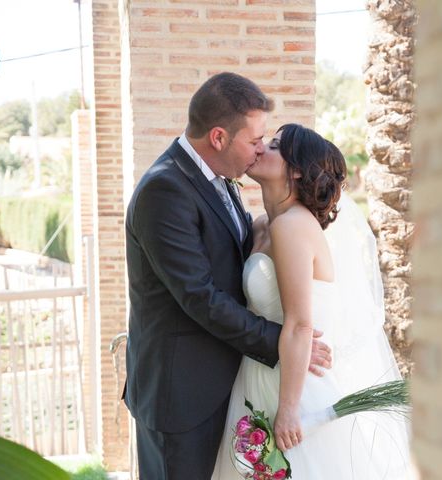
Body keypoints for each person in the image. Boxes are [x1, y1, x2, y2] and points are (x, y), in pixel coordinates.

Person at [124, 73, 332, 480]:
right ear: (218, 137)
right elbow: (200, 296)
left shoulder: (223, 180)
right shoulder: (164, 190)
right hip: (180, 395)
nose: (259, 150)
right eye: (254, 141)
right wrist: (282, 342)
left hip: (226, 383)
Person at [212, 124, 414, 479]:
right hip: (256, 372)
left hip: (292, 384)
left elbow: (301, 324)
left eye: (274, 145)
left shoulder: (293, 226)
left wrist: (289, 409)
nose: (261, 148)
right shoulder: (261, 225)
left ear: (298, 169)